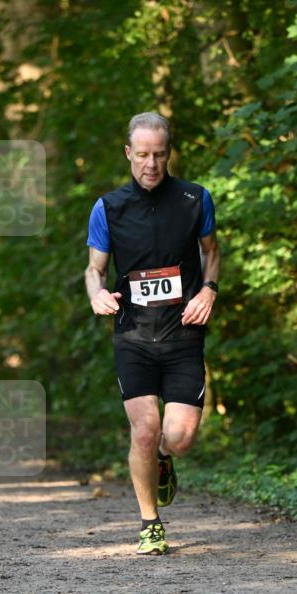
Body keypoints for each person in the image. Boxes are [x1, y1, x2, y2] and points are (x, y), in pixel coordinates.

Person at [85, 112, 220, 554]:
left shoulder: (195, 199)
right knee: (144, 430)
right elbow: (94, 268)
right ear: (128, 153)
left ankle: (164, 460)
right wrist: (97, 294)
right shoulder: (109, 208)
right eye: (142, 154)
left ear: (169, 153)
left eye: (159, 155)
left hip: (183, 334)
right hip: (134, 336)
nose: (150, 164)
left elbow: (211, 253)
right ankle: (150, 524)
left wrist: (209, 291)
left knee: (177, 438)